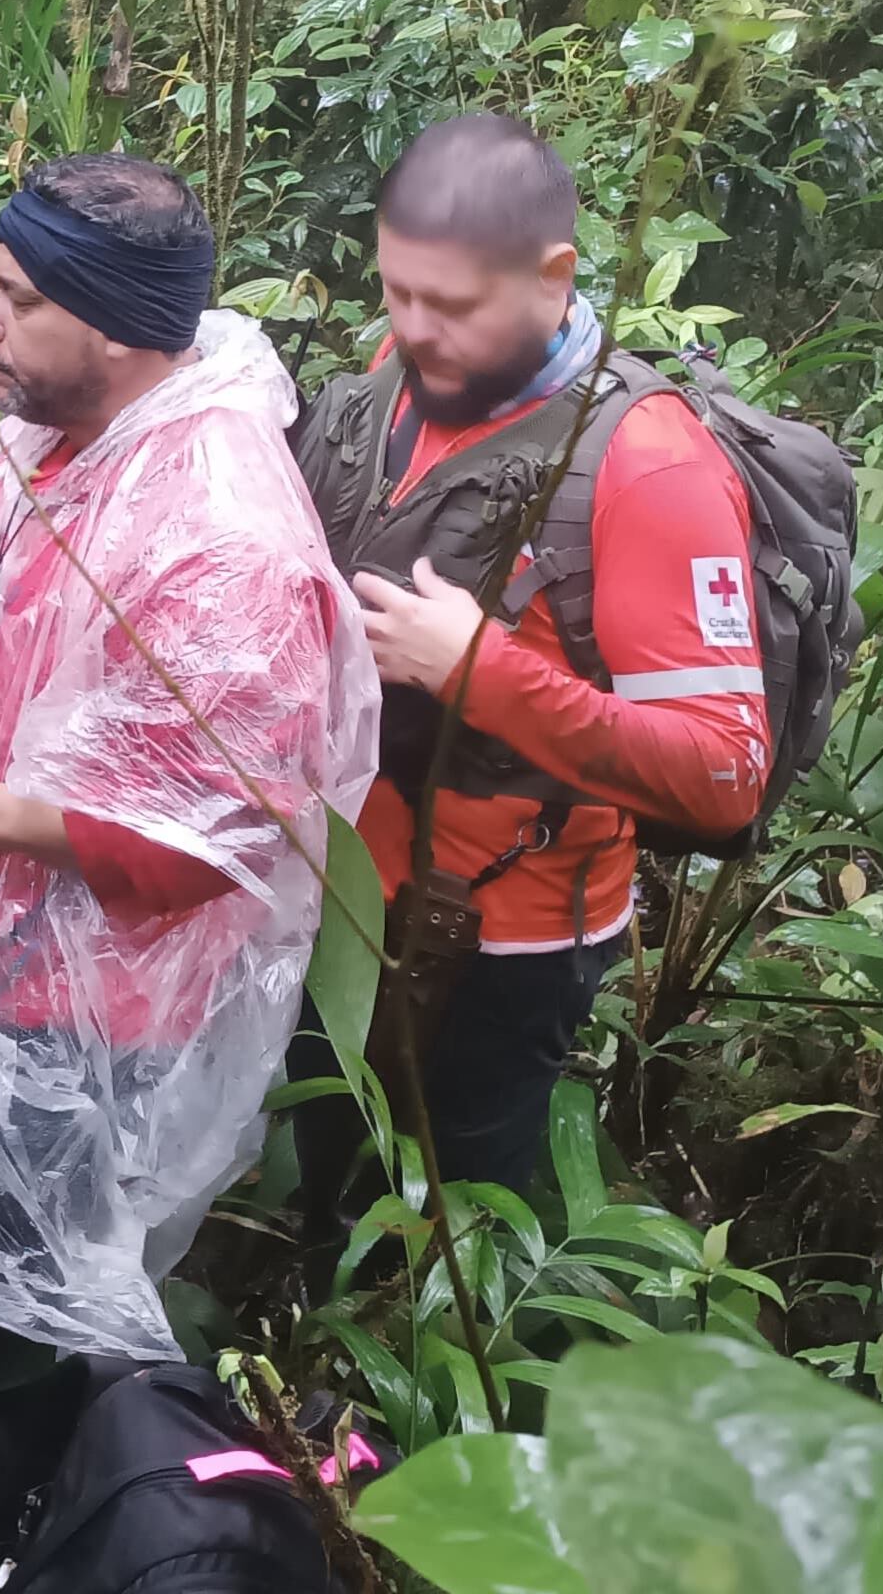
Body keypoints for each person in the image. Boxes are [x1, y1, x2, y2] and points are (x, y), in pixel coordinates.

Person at [0, 154, 376, 1571]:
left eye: (15, 298)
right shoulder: (58, 446)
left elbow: (228, 836)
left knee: (3, 1352)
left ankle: (19, 1542)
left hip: (82, 1031)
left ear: (120, 326)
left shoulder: (223, 541)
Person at [286, 113, 768, 1208]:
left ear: (555, 278)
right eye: (396, 295)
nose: (414, 332)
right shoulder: (404, 373)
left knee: (448, 1227)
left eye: (449, 306)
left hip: (494, 942)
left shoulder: (647, 465)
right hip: (342, 897)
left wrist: (476, 669)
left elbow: (724, 773)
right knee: (335, 1195)